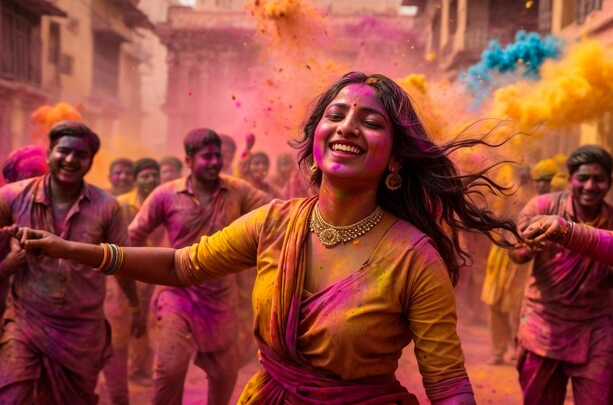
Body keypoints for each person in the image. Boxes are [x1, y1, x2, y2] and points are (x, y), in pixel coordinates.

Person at [6, 72, 523, 405]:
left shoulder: (415, 258)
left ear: (396, 159)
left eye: (369, 122)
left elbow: (448, 385)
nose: (346, 127)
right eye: (335, 115)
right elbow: (181, 266)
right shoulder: (276, 222)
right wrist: (67, 248)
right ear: (316, 136)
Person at [0, 121, 145, 405]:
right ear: (49, 153)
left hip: (81, 333)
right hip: (26, 321)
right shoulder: (12, 197)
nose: (70, 160)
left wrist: (136, 306)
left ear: (91, 161)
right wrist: (8, 262)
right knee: (11, 397)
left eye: (81, 155)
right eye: (63, 151)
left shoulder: (106, 206)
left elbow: (123, 262)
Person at [128, 129, 270, 405]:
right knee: (169, 368)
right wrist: (145, 272)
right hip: (176, 293)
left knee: (225, 373)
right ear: (189, 161)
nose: (215, 161)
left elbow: (274, 213)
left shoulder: (237, 190)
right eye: (207, 157)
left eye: (217, 155)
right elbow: (134, 234)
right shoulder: (166, 194)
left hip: (220, 297)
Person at [509, 145, 613, 405]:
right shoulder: (543, 206)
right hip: (543, 326)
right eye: (582, 178)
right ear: (571, 178)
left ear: (609, 182)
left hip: (595, 329)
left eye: (599, 179)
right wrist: (526, 247)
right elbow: (514, 254)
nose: (590, 186)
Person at [102, 157, 161, 403]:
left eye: (152, 175)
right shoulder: (116, 204)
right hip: (119, 276)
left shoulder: (160, 202)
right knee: (118, 328)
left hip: (154, 275)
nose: (148, 180)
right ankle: (117, 381)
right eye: (143, 176)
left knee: (147, 326)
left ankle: (140, 372)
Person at [480, 166, 534, 365]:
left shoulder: (535, 197)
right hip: (501, 251)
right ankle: (498, 350)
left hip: (521, 255)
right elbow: (494, 216)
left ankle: (517, 348)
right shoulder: (505, 189)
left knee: (517, 306)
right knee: (495, 304)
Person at [0, 146, 49, 320]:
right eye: (26, 178)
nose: (32, 185)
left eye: (39, 177)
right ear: (11, 180)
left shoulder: (56, 213)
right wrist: (6, 266)